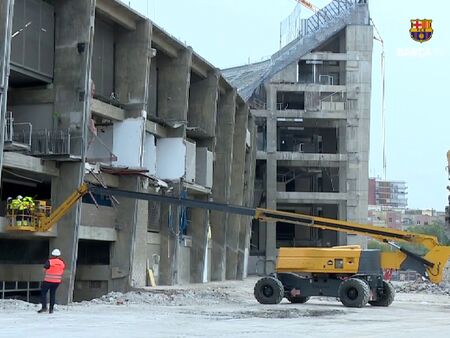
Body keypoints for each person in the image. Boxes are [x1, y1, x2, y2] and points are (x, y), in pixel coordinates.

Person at [38, 249, 65, 314]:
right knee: (52, 294)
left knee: (43, 293)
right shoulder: (62, 263)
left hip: (48, 280)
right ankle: (51, 309)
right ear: (59, 255)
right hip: (57, 282)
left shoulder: (50, 261)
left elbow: (44, 270)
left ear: (52, 255)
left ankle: (44, 307)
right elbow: (62, 270)